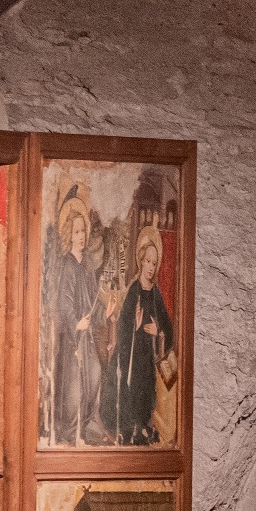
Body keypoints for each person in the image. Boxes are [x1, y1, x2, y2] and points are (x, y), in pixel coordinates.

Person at [42, 186, 102, 445]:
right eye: (76, 231)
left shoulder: (86, 265)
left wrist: (103, 312)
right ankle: (69, 431)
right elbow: (63, 302)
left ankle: (86, 426)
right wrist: (74, 323)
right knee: (74, 387)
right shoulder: (67, 264)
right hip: (71, 335)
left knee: (96, 375)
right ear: (69, 233)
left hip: (86, 334)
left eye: (83, 231)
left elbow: (91, 298)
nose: (81, 236)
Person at [108, 224, 178, 446]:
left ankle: (145, 425)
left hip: (149, 355)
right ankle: (132, 427)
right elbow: (122, 326)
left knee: (148, 388)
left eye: (154, 263)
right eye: (147, 261)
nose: (150, 267)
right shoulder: (134, 291)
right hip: (131, 353)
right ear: (140, 261)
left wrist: (159, 332)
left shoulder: (155, 293)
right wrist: (135, 325)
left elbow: (168, 326)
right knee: (134, 384)